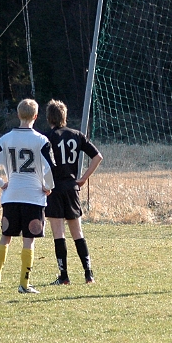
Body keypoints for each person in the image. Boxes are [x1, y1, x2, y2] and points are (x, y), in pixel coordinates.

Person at [0, 99, 55, 294]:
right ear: (35, 116)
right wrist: (48, 187)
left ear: (18, 115)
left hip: (12, 196)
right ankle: (24, 284)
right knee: (28, 240)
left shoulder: (6, 139)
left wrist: (1, 183)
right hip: (33, 197)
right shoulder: (41, 140)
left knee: (5, 237)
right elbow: (49, 168)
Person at [44, 99, 103, 285]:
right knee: (77, 232)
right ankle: (88, 274)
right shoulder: (77, 134)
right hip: (71, 187)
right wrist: (84, 178)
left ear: (49, 118)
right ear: (64, 116)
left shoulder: (46, 138)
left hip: (54, 188)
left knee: (58, 233)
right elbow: (97, 157)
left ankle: (64, 276)